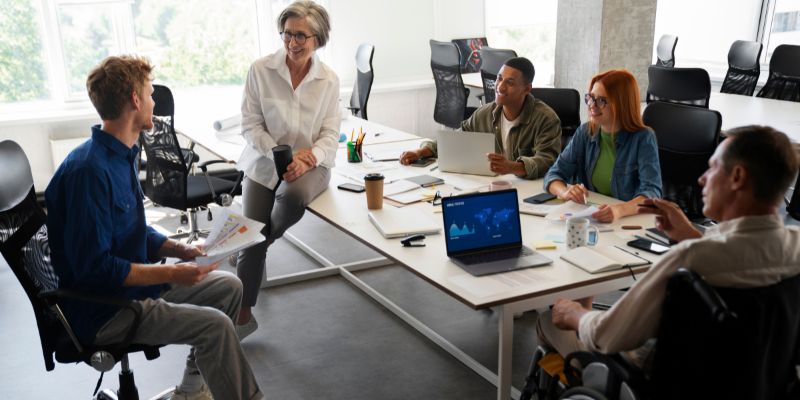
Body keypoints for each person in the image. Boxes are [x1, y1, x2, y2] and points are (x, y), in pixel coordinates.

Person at [45, 56, 262, 400]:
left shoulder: (121, 154)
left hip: (129, 292)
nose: (153, 102)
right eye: (149, 94)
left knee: (229, 287)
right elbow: (96, 270)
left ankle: (193, 386)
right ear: (134, 99)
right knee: (216, 327)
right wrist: (173, 275)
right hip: (106, 310)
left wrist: (179, 251)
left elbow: (132, 231)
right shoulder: (88, 173)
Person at [537, 125, 800, 370]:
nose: (702, 180)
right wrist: (692, 235)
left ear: (737, 177)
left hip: (656, 375)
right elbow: (740, 258)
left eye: (713, 168)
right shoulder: (794, 247)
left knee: (550, 322)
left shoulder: (690, 259)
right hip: (756, 380)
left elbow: (607, 335)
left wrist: (575, 314)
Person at [235, 0, 340, 337]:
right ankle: (242, 315)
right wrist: (278, 155)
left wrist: (308, 158)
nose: (292, 42)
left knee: (291, 200)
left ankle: (254, 250)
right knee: (252, 229)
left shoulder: (328, 80)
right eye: (286, 34)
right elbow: (250, 124)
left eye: (300, 36)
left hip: (312, 164)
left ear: (318, 39)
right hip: (265, 162)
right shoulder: (260, 70)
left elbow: (330, 133)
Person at [399, 57, 561, 179]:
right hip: (495, 186)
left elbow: (547, 160)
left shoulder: (546, 119)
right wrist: (421, 151)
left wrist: (511, 166)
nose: (500, 86)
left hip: (530, 191)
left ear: (527, 89)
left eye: (510, 83)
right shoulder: (486, 112)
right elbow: (456, 137)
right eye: (499, 78)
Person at [543, 69, 662, 223]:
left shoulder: (643, 138)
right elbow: (553, 174)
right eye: (591, 98)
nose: (592, 105)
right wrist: (566, 192)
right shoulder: (585, 132)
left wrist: (619, 210)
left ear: (621, 104)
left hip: (627, 222)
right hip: (591, 219)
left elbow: (652, 193)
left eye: (601, 100)